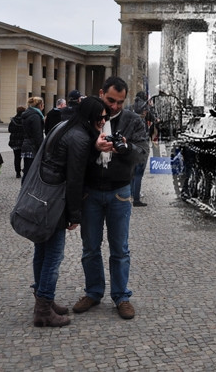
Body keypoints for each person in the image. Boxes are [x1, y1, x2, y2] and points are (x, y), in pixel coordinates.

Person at [72, 76, 149, 320]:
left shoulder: (132, 120)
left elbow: (142, 153)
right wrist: (94, 148)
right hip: (91, 191)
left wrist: (126, 149)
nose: (115, 106)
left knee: (120, 249)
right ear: (101, 93)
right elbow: (72, 151)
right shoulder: (87, 118)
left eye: (120, 102)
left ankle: (121, 296)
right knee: (90, 247)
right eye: (110, 100)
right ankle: (94, 292)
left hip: (119, 191)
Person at [30, 96, 106, 328]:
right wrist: (74, 215)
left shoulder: (65, 126)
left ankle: (44, 299)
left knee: (42, 250)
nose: (104, 121)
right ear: (92, 116)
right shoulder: (81, 137)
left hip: (43, 194)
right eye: (101, 117)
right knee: (53, 255)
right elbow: (75, 178)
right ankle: (43, 309)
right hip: (56, 200)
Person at [129, 91, 152, 207]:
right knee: (139, 174)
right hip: (141, 148)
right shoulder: (142, 118)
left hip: (132, 146)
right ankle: (136, 199)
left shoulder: (131, 110)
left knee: (133, 173)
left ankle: (132, 194)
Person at [21, 97, 45, 182]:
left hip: (27, 144)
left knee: (27, 170)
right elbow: (38, 135)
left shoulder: (28, 114)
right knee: (30, 172)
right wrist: (41, 149)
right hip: (32, 146)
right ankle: (25, 191)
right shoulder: (35, 116)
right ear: (40, 105)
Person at [8, 106, 25, 179]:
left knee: (17, 158)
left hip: (15, 141)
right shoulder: (25, 120)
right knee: (25, 157)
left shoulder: (13, 120)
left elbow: (10, 130)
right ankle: (25, 170)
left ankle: (17, 172)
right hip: (23, 141)